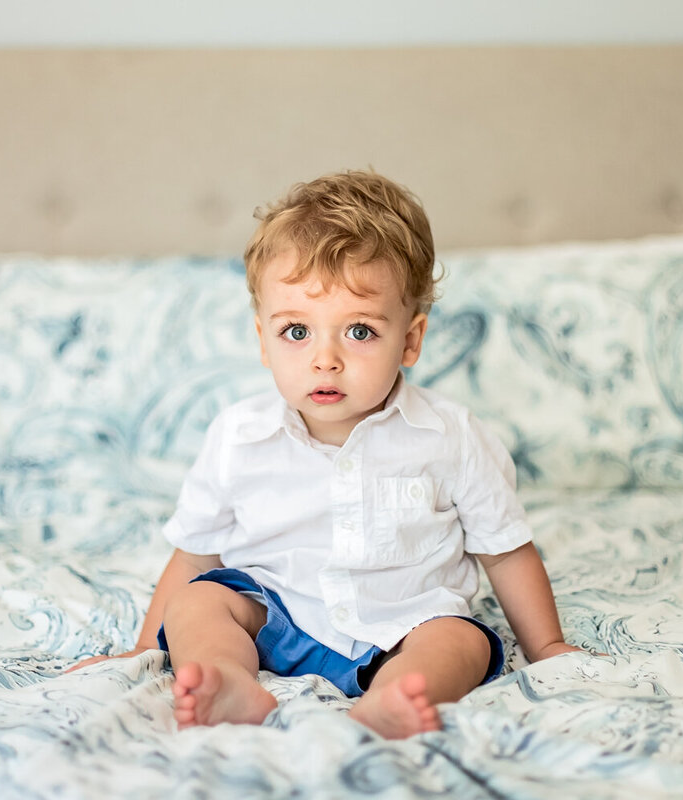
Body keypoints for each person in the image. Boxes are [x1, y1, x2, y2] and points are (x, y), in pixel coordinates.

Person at [69, 170, 583, 739]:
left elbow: (507, 553)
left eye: (359, 332)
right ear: (263, 339)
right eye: (296, 332)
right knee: (198, 603)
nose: (326, 359)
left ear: (410, 340)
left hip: (404, 622)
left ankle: (394, 696)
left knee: (459, 641)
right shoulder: (238, 436)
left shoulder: (452, 437)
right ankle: (225, 676)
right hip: (275, 615)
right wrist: (145, 650)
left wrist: (548, 646)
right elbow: (194, 555)